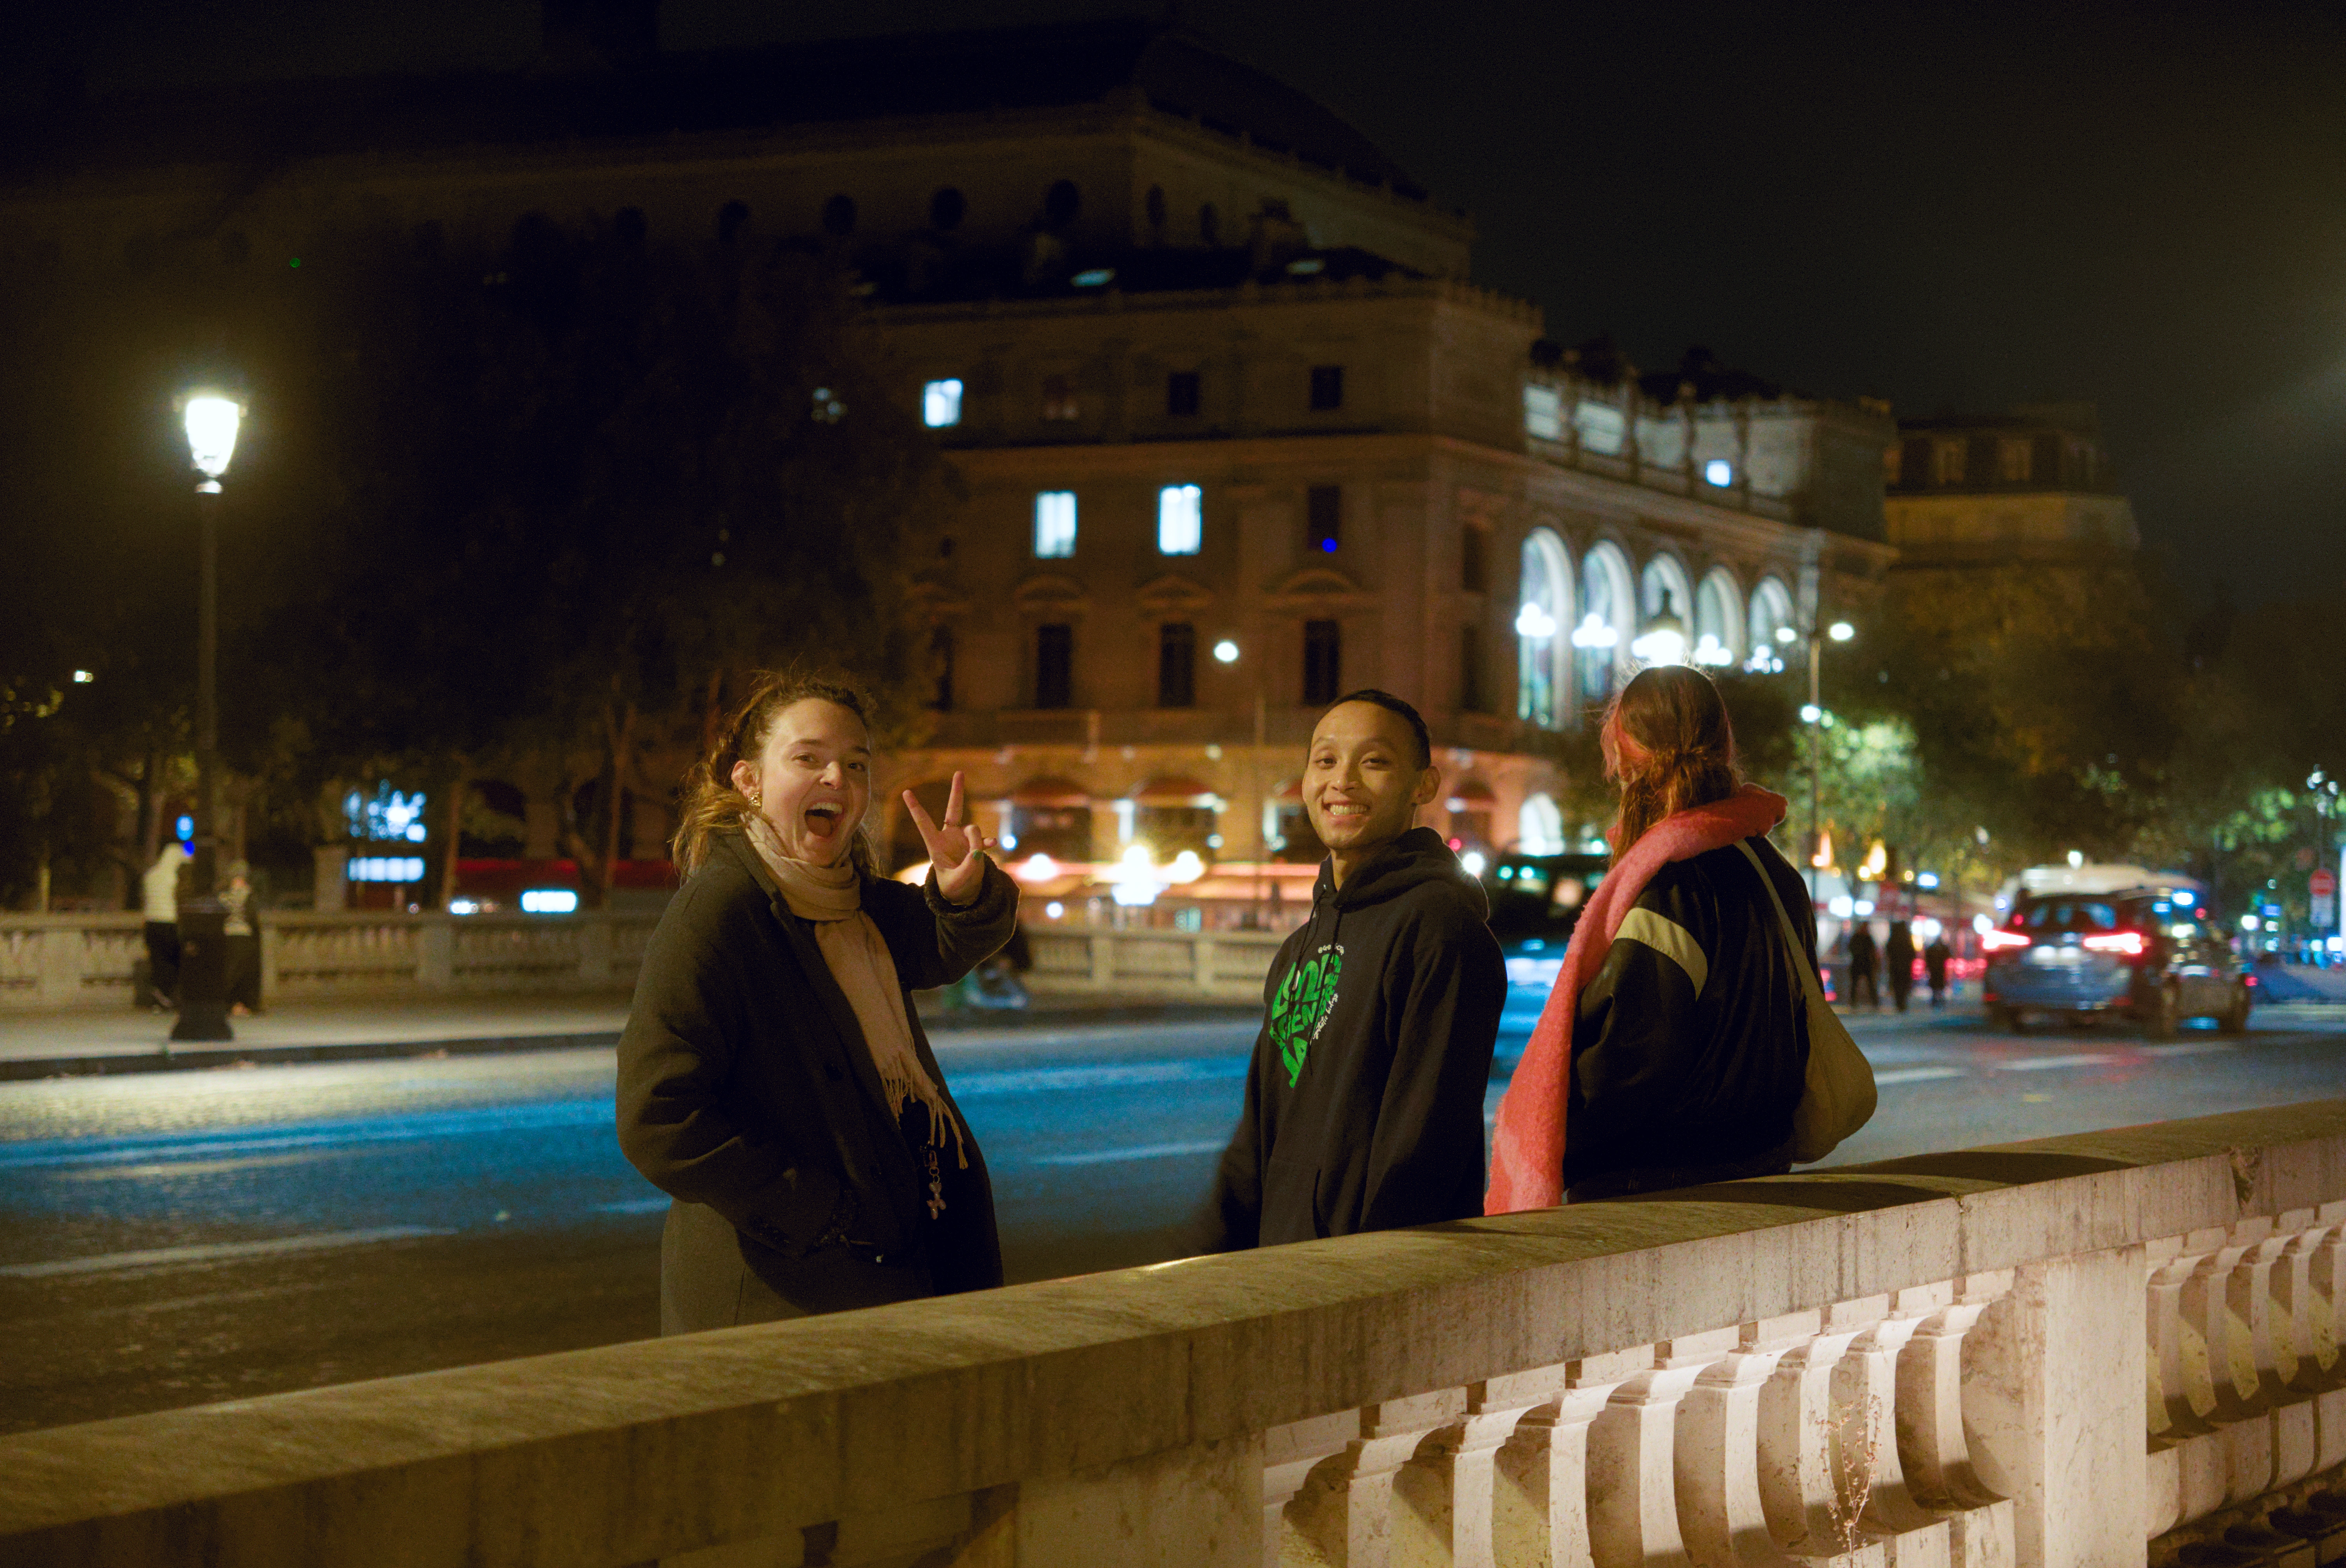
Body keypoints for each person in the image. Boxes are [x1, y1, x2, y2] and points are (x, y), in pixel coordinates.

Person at [617, 671, 1019, 1331]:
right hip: (780, 1295)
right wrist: (819, 1213)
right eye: (808, 758)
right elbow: (658, 1115)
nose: (837, 776)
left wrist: (962, 885)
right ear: (750, 780)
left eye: (855, 764)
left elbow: (945, 940)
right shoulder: (722, 911)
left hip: (887, 1275)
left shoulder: (854, 902)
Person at [1487, 665, 1813, 1209]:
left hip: (1660, 1186)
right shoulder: (1776, 875)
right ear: (1726, 745)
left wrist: (1558, 1134)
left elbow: (1629, 1066)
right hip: (1761, 1169)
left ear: (1624, 755)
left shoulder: (1667, 884)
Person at [1207, 689, 1505, 1248]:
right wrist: (1211, 1263)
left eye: (1374, 762)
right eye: (1325, 761)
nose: (1342, 781)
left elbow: (1422, 1146)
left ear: (1423, 786)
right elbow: (1258, 1136)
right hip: (1284, 1276)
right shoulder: (1298, 951)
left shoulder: (1441, 930)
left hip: (1370, 1283)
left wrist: (1360, 1279)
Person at [140, 841, 189, 1010]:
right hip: (169, 923)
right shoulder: (174, 878)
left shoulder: (150, 876)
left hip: (151, 922)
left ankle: (159, 997)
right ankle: (169, 996)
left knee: (157, 961)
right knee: (173, 961)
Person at [222, 860, 262, 1015]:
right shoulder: (247, 893)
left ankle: (231, 1003)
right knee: (245, 973)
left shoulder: (224, 895)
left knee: (230, 971)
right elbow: (252, 917)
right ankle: (247, 1003)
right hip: (244, 936)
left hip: (228, 935)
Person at [1885, 920, 1916, 1013]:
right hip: (1905, 967)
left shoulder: (1893, 939)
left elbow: (1889, 952)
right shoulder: (1907, 940)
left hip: (1895, 967)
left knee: (1897, 985)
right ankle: (1902, 1003)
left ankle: (1899, 1003)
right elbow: (1912, 953)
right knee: (1904, 985)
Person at [1847, 922, 1880, 1010]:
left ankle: (1872, 1003)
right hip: (1863, 963)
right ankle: (1873, 1003)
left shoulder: (1861, 938)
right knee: (1864, 984)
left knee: (1864, 984)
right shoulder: (1865, 938)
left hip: (1861, 963)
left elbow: (1851, 948)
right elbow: (1872, 951)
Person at [1924, 931, 1952, 1008]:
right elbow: (1948, 956)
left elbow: (1927, 959)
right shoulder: (1943, 949)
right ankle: (1939, 1000)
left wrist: (1927, 968)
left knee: (1936, 985)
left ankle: (1936, 1000)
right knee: (1939, 985)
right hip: (1940, 969)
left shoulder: (1931, 949)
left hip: (1935, 970)